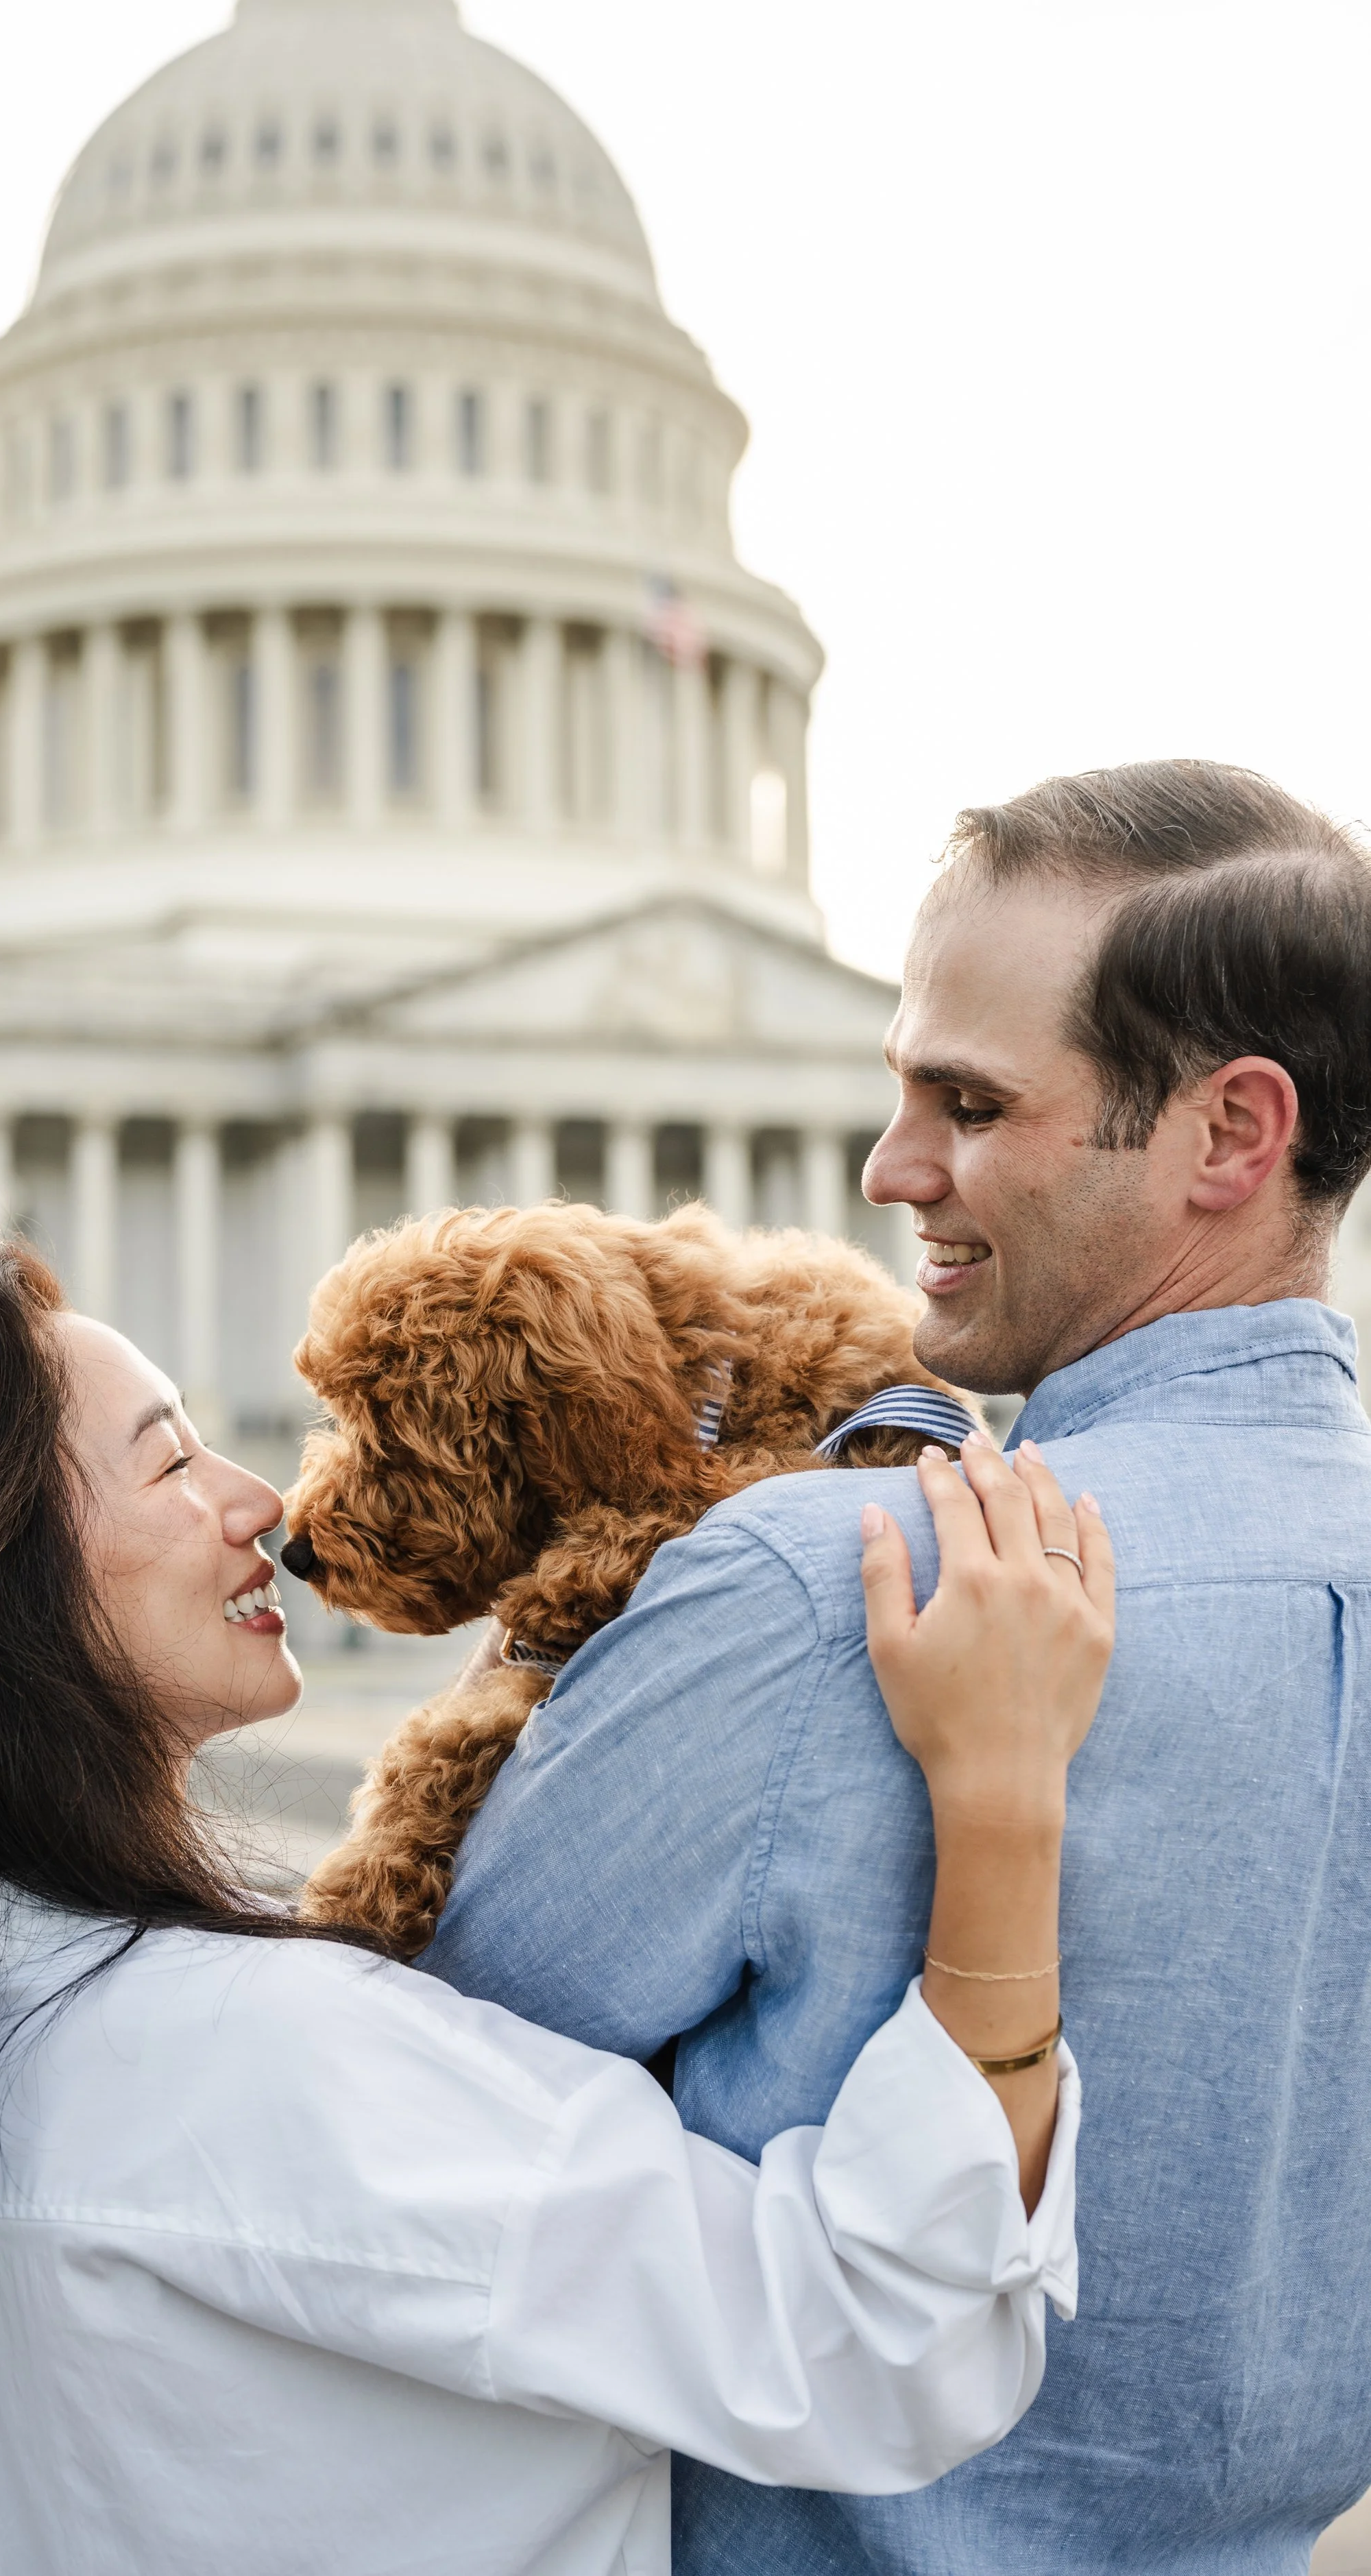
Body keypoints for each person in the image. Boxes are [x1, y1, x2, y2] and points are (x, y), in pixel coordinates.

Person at [0, 1245, 1106, 2576]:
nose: (263, 1504)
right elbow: (887, 2352)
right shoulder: (264, 2056)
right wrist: (998, 1795)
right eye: (170, 1464)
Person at [425, 757, 1371, 2574]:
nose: (888, 1168)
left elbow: (435, 2097)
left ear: (1228, 1134)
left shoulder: (831, 1586)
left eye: (969, 1102)